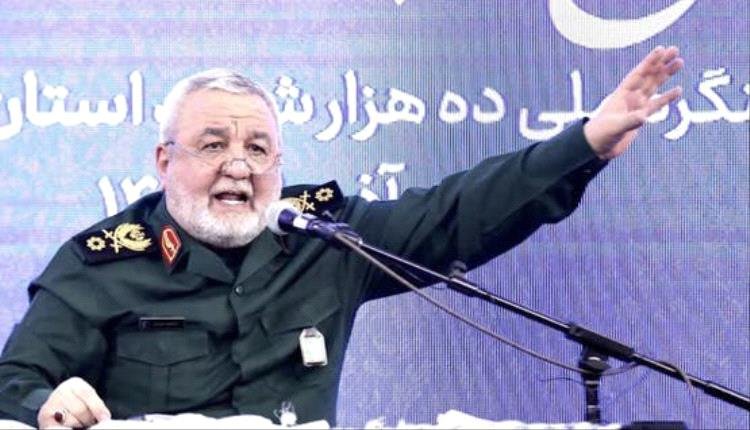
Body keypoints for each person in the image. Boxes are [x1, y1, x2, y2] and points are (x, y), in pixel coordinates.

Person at [0, 46, 683, 428]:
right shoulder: (100, 262)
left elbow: (457, 213)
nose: (239, 164)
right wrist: (45, 406)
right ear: (164, 160)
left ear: (280, 165)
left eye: (258, 148)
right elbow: (12, 382)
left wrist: (584, 143)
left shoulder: (325, 237)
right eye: (213, 144)